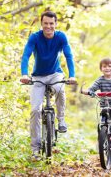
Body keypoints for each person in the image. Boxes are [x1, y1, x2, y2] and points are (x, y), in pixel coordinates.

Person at [20, 11, 77, 159]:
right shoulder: (34, 37)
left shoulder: (61, 37)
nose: (48, 26)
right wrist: (24, 74)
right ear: (41, 24)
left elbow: (69, 55)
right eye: (45, 23)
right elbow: (26, 55)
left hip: (54, 73)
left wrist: (72, 75)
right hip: (38, 76)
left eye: (51, 23)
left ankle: (61, 119)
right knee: (35, 111)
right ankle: (35, 149)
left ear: (56, 24)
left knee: (60, 89)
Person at [81, 58, 111, 152]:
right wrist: (87, 91)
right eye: (104, 66)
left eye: (109, 66)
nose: (107, 68)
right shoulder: (100, 80)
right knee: (102, 123)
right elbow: (92, 89)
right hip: (105, 105)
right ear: (101, 69)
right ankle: (102, 140)